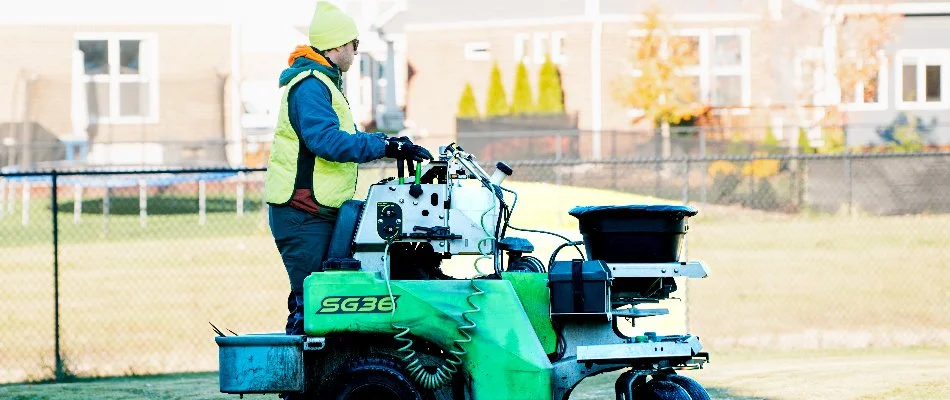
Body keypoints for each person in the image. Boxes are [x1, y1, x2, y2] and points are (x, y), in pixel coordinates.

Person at [264, 1, 432, 336]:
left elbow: (348, 138)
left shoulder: (324, 82)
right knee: (312, 302)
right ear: (338, 44)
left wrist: (391, 143)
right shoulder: (310, 85)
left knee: (320, 299)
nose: (356, 53)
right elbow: (327, 141)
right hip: (302, 211)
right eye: (355, 45)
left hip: (316, 210)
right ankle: (299, 386)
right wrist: (385, 146)